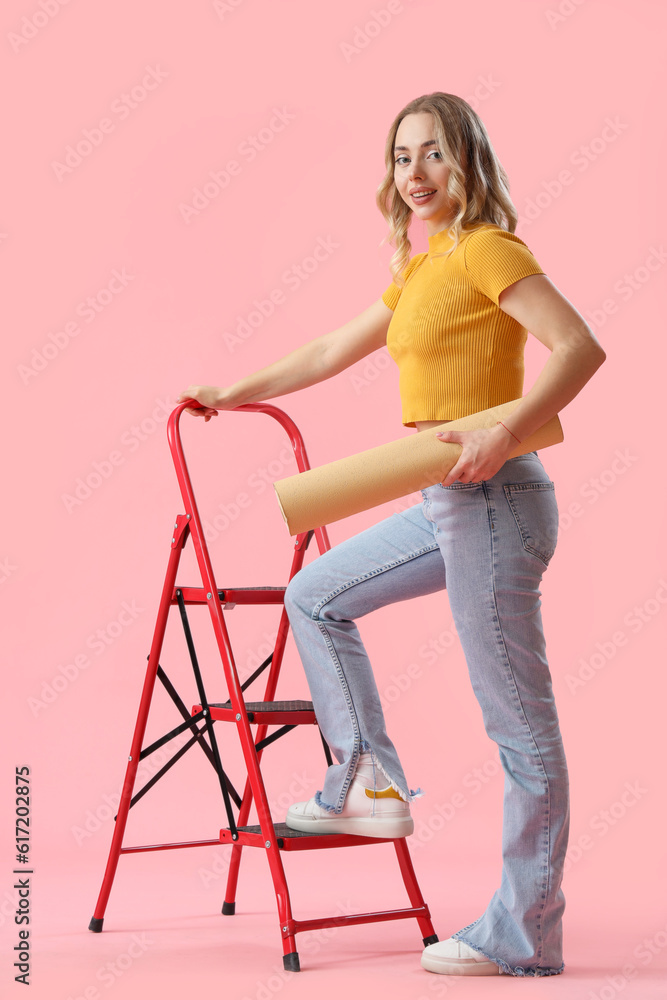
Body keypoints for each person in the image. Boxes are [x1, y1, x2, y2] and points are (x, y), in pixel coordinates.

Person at [178, 92, 606, 978]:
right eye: (404, 157)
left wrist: (505, 428)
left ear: (469, 163)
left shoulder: (487, 249)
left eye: (435, 155)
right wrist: (232, 389)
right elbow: (331, 350)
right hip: (442, 498)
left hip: (494, 495)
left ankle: (524, 934)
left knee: (518, 729)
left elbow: (577, 346)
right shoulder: (422, 270)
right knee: (316, 594)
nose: (415, 174)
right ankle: (366, 780)